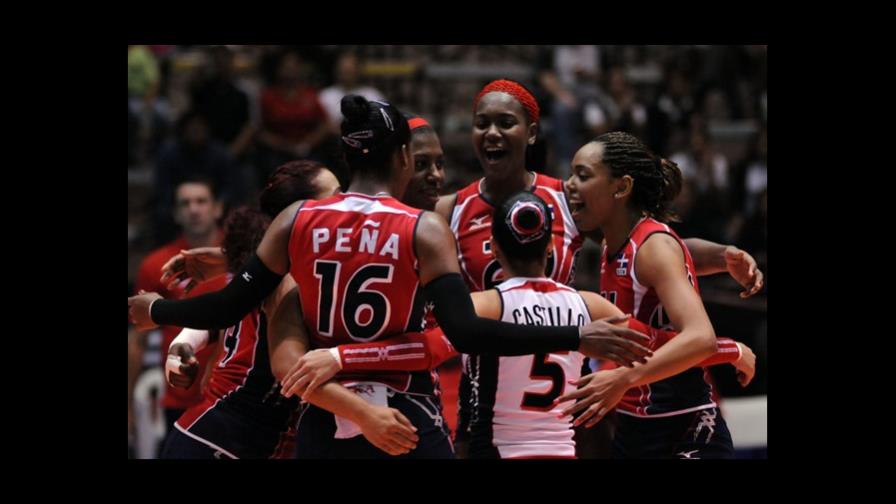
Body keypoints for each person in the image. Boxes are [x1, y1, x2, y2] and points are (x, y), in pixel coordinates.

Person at [129, 95, 656, 458]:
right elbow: (466, 332)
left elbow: (225, 306)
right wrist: (575, 333)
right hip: (405, 406)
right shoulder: (424, 229)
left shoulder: (296, 221)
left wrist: (157, 311)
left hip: (324, 409)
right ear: (402, 156)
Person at [560, 131, 739, 458]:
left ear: (621, 187)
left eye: (582, 175)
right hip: (635, 426)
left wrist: (622, 378)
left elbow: (701, 338)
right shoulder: (614, 244)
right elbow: (679, 253)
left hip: (684, 426)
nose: (569, 184)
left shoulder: (652, 246)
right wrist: (720, 255)